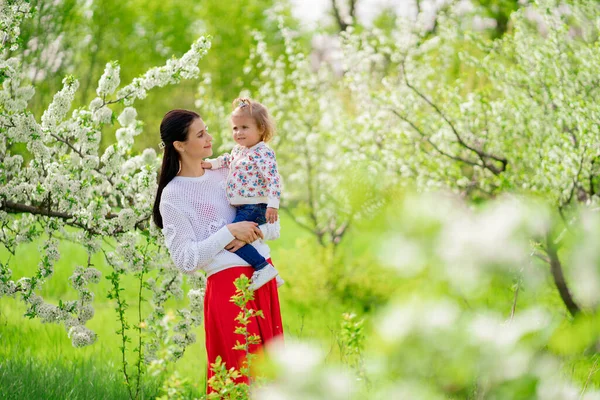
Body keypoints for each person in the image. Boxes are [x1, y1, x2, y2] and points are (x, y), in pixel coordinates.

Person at [152, 109, 284, 392]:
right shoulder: (174, 195)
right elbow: (185, 260)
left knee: (273, 380)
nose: (210, 138)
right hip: (228, 288)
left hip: (262, 279)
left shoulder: (227, 169)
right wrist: (228, 233)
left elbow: (270, 220)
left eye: (207, 130)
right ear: (180, 145)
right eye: (200, 134)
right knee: (238, 379)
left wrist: (257, 231)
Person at [202, 98, 284, 290]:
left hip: (254, 206)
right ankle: (271, 273)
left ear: (261, 129)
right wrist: (211, 164)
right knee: (233, 237)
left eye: (244, 127)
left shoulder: (262, 152)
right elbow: (227, 160)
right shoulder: (239, 150)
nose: (238, 133)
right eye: (235, 128)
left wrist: (273, 204)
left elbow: (273, 179)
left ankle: (264, 268)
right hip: (244, 205)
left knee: (228, 237)